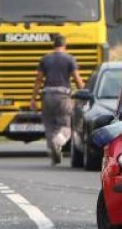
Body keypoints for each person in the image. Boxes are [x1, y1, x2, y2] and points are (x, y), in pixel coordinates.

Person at [30, 35, 84, 165]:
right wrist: (83, 93)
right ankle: (58, 142)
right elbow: (77, 79)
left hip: (47, 96)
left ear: (53, 45)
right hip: (63, 97)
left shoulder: (45, 59)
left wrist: (33, 99)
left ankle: (54, 153)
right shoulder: (70, 59)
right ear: (65, 46)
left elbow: (38, 80)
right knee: (65, 125)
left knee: (49, 126)